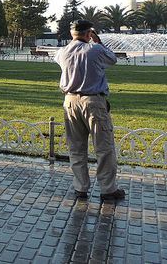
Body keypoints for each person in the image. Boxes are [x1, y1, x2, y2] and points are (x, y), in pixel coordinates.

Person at [54, 19, 126, 201]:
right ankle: (108, 189)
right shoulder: (95, 50)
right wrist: (98, 41)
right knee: (104, 147)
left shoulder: (62, 52)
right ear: (89, 33)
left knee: (76, 147)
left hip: (70, 101)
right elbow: (113, 59)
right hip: (93, 102)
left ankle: (80, 187)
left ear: (72, 34)